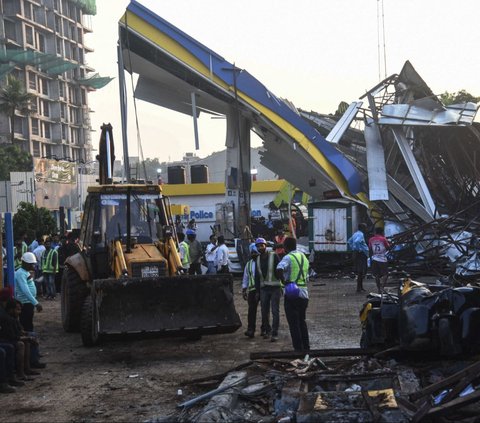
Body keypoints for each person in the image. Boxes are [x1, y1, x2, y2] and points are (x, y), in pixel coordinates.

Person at [276, 237, 310, 351]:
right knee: (302, 322)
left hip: (292, 293)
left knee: (294, 324)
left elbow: (279, 268)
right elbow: (307, 276)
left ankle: (298, 350)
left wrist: (284, 282)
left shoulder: (288, 257)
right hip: (304, 294)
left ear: (285, 247)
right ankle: (306, 348)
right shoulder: (304, 258)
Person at [255, 237, 281, 342]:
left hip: (275, 288)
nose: (260, 247)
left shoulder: (274, 255)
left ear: (265, 246)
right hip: (264, 289)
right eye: (258, 246)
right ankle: (267, 330)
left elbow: (280, 269)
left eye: (262, 245)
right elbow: (257, 276)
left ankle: (274, 333)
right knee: (264, 311)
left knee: (275, 311)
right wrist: (257, 291)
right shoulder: (257, 259)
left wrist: (283, 285)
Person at [14, 252, 43, 333]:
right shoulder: (20, 273)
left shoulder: (25, 272)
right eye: (31, 264)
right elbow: (25, 290)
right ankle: (28, 340)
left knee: (28, 323)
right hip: (25, 303)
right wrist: (36, 303)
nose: (32, 266)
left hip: (28, 302)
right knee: (26, 324)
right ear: (24, 263)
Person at [242, 244, 260, 338]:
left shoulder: (262, 262)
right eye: (252, 252)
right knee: (251, 310)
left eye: (255, 252)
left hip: (262, 289)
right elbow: (245, 278)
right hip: (252, 290)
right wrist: (244, 290)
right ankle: (251, 330)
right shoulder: (248, 264)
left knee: (265, 311)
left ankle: (265, 329)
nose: (253, 254)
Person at [347, 223, 369, 293]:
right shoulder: (361, 234)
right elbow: (356, 242)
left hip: (358, 254)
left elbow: (349, 241)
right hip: (361, 254)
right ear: (362, 228)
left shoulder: (355, 234)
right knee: (361, 271)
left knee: (360, 272)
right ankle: (359, 288)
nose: (366, 229)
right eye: (365, 228)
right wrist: (359, 249)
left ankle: (360, 287)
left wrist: (353, 248)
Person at [369, 227, 390, 293]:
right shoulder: (383, 239)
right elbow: (388, 247)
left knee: (377, 275)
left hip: (374, 258)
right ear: (382, 232)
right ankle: (382, 287)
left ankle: (378, 289)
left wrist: (371, 257)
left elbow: (370, 249)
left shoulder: (371, 239)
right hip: (382, 259)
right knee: (385, 274)